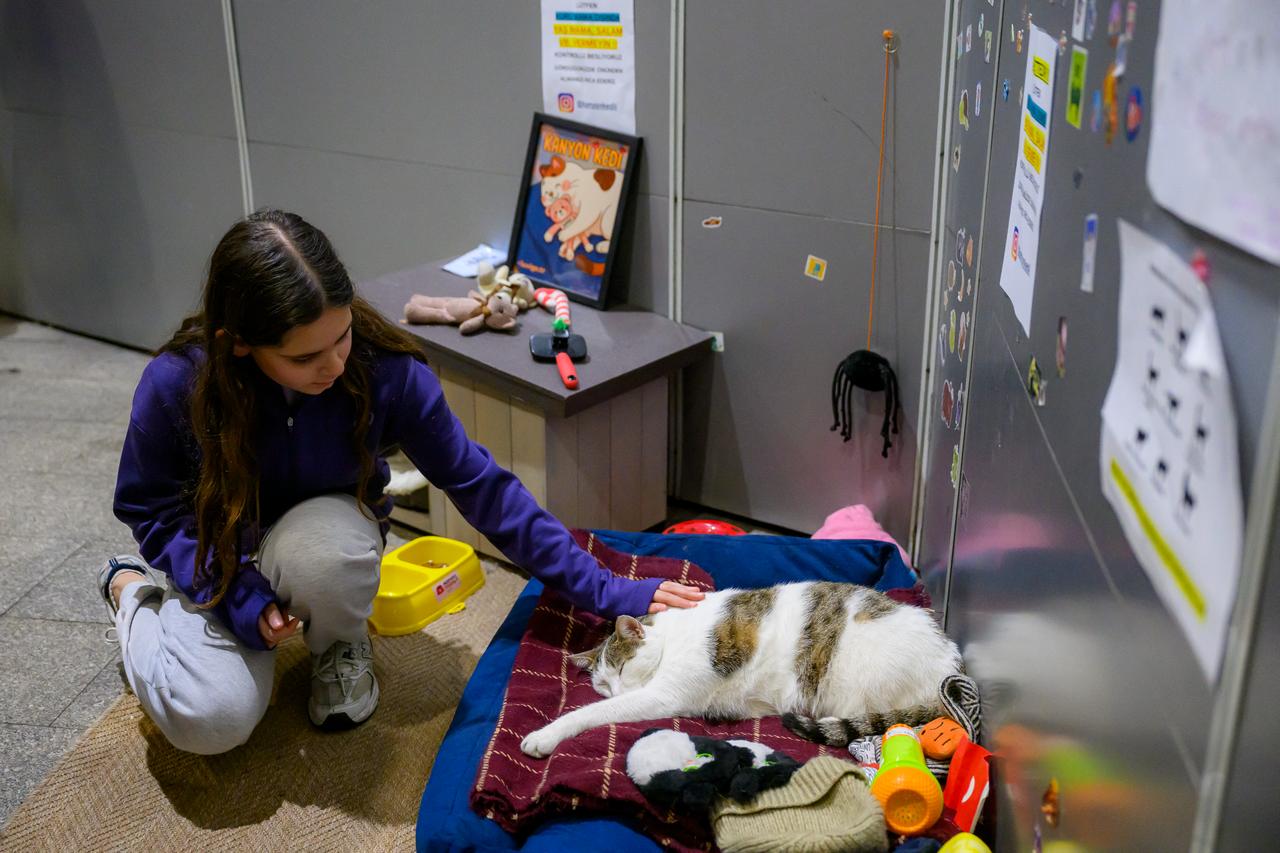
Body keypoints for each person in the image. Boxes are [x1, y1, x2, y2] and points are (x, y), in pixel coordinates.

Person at [99, 209, 703, 755]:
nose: (334, 366)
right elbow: (148, 506)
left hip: (323, 537)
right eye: (306, 358)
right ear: (238, 346)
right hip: (216, 552)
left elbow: (482, 487)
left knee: (324, 553)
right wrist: (230, 591)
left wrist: (607, 589)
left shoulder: (386, 370)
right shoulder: (176, 383)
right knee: (213, 721)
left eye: (342, 338)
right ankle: (132, 597)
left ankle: (338, 643)